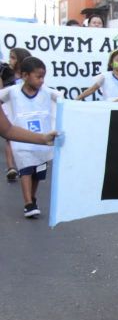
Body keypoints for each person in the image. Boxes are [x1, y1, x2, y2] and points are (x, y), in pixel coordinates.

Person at [0, 57, 61, 218]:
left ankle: (32, 197)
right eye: (38, 77)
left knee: (37, 173)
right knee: (26, 170)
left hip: (43, 141)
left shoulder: (47, 92)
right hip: (20, 141)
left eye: (43, 77)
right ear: (25, 76)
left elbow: (64, 101)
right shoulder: (12, 91)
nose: (41, 81)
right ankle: (28, 203)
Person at [3, 47, 31, 182]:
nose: (10, 60)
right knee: (10, 137)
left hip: (24, 109)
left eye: (13, 57)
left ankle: (28, 164)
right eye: (10, 57)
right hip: (10, 108)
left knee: (25, 134)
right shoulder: (6, 74)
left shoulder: (28, 75)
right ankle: (11, 167)